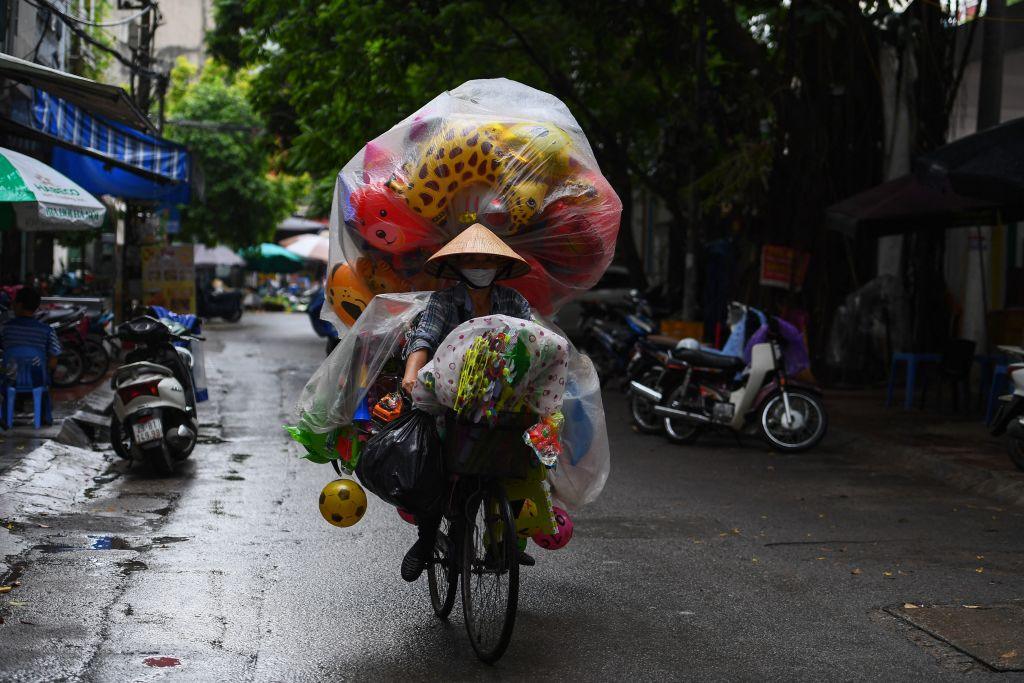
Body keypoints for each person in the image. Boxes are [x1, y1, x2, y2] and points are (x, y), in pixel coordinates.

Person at [399, 223, 533, 582]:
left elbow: (534, 342)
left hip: (501, 396)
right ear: (458, 265)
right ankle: (426, 540)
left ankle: (504, 538)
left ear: (499, 265)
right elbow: (423, 339)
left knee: (528, 453)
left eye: (486, 259)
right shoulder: (443, 301)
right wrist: (412, 375)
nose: (479, 264)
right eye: (471, 259)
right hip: (448, 397)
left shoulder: (514, 301)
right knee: (431, 465)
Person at [0, 286, 62, 375]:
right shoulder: (48, 330)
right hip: (37, 381)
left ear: (19, 305)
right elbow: (54, 358)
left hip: (10, 382)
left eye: (14, 302)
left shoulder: (5, 329)